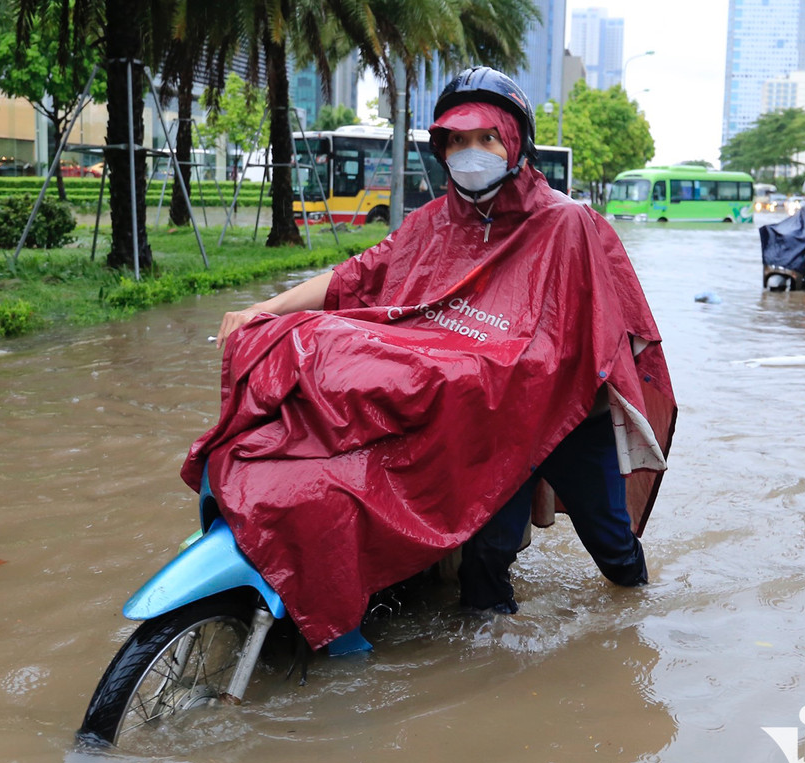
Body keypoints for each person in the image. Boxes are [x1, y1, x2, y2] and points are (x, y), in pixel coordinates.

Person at [190, 67, 675, 649]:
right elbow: (352, 280)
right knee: (485, 567)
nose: (471, 154)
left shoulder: (568, 223)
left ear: (516, 143)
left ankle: (640, 637)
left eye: (486, 139)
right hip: (483, 423)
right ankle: (485, 674)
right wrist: (265, 309)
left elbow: (595, 335)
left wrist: (492, 368)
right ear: (441, 149)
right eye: (456, 141)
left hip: (567, 418)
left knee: (615, 553)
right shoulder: (428, 225)